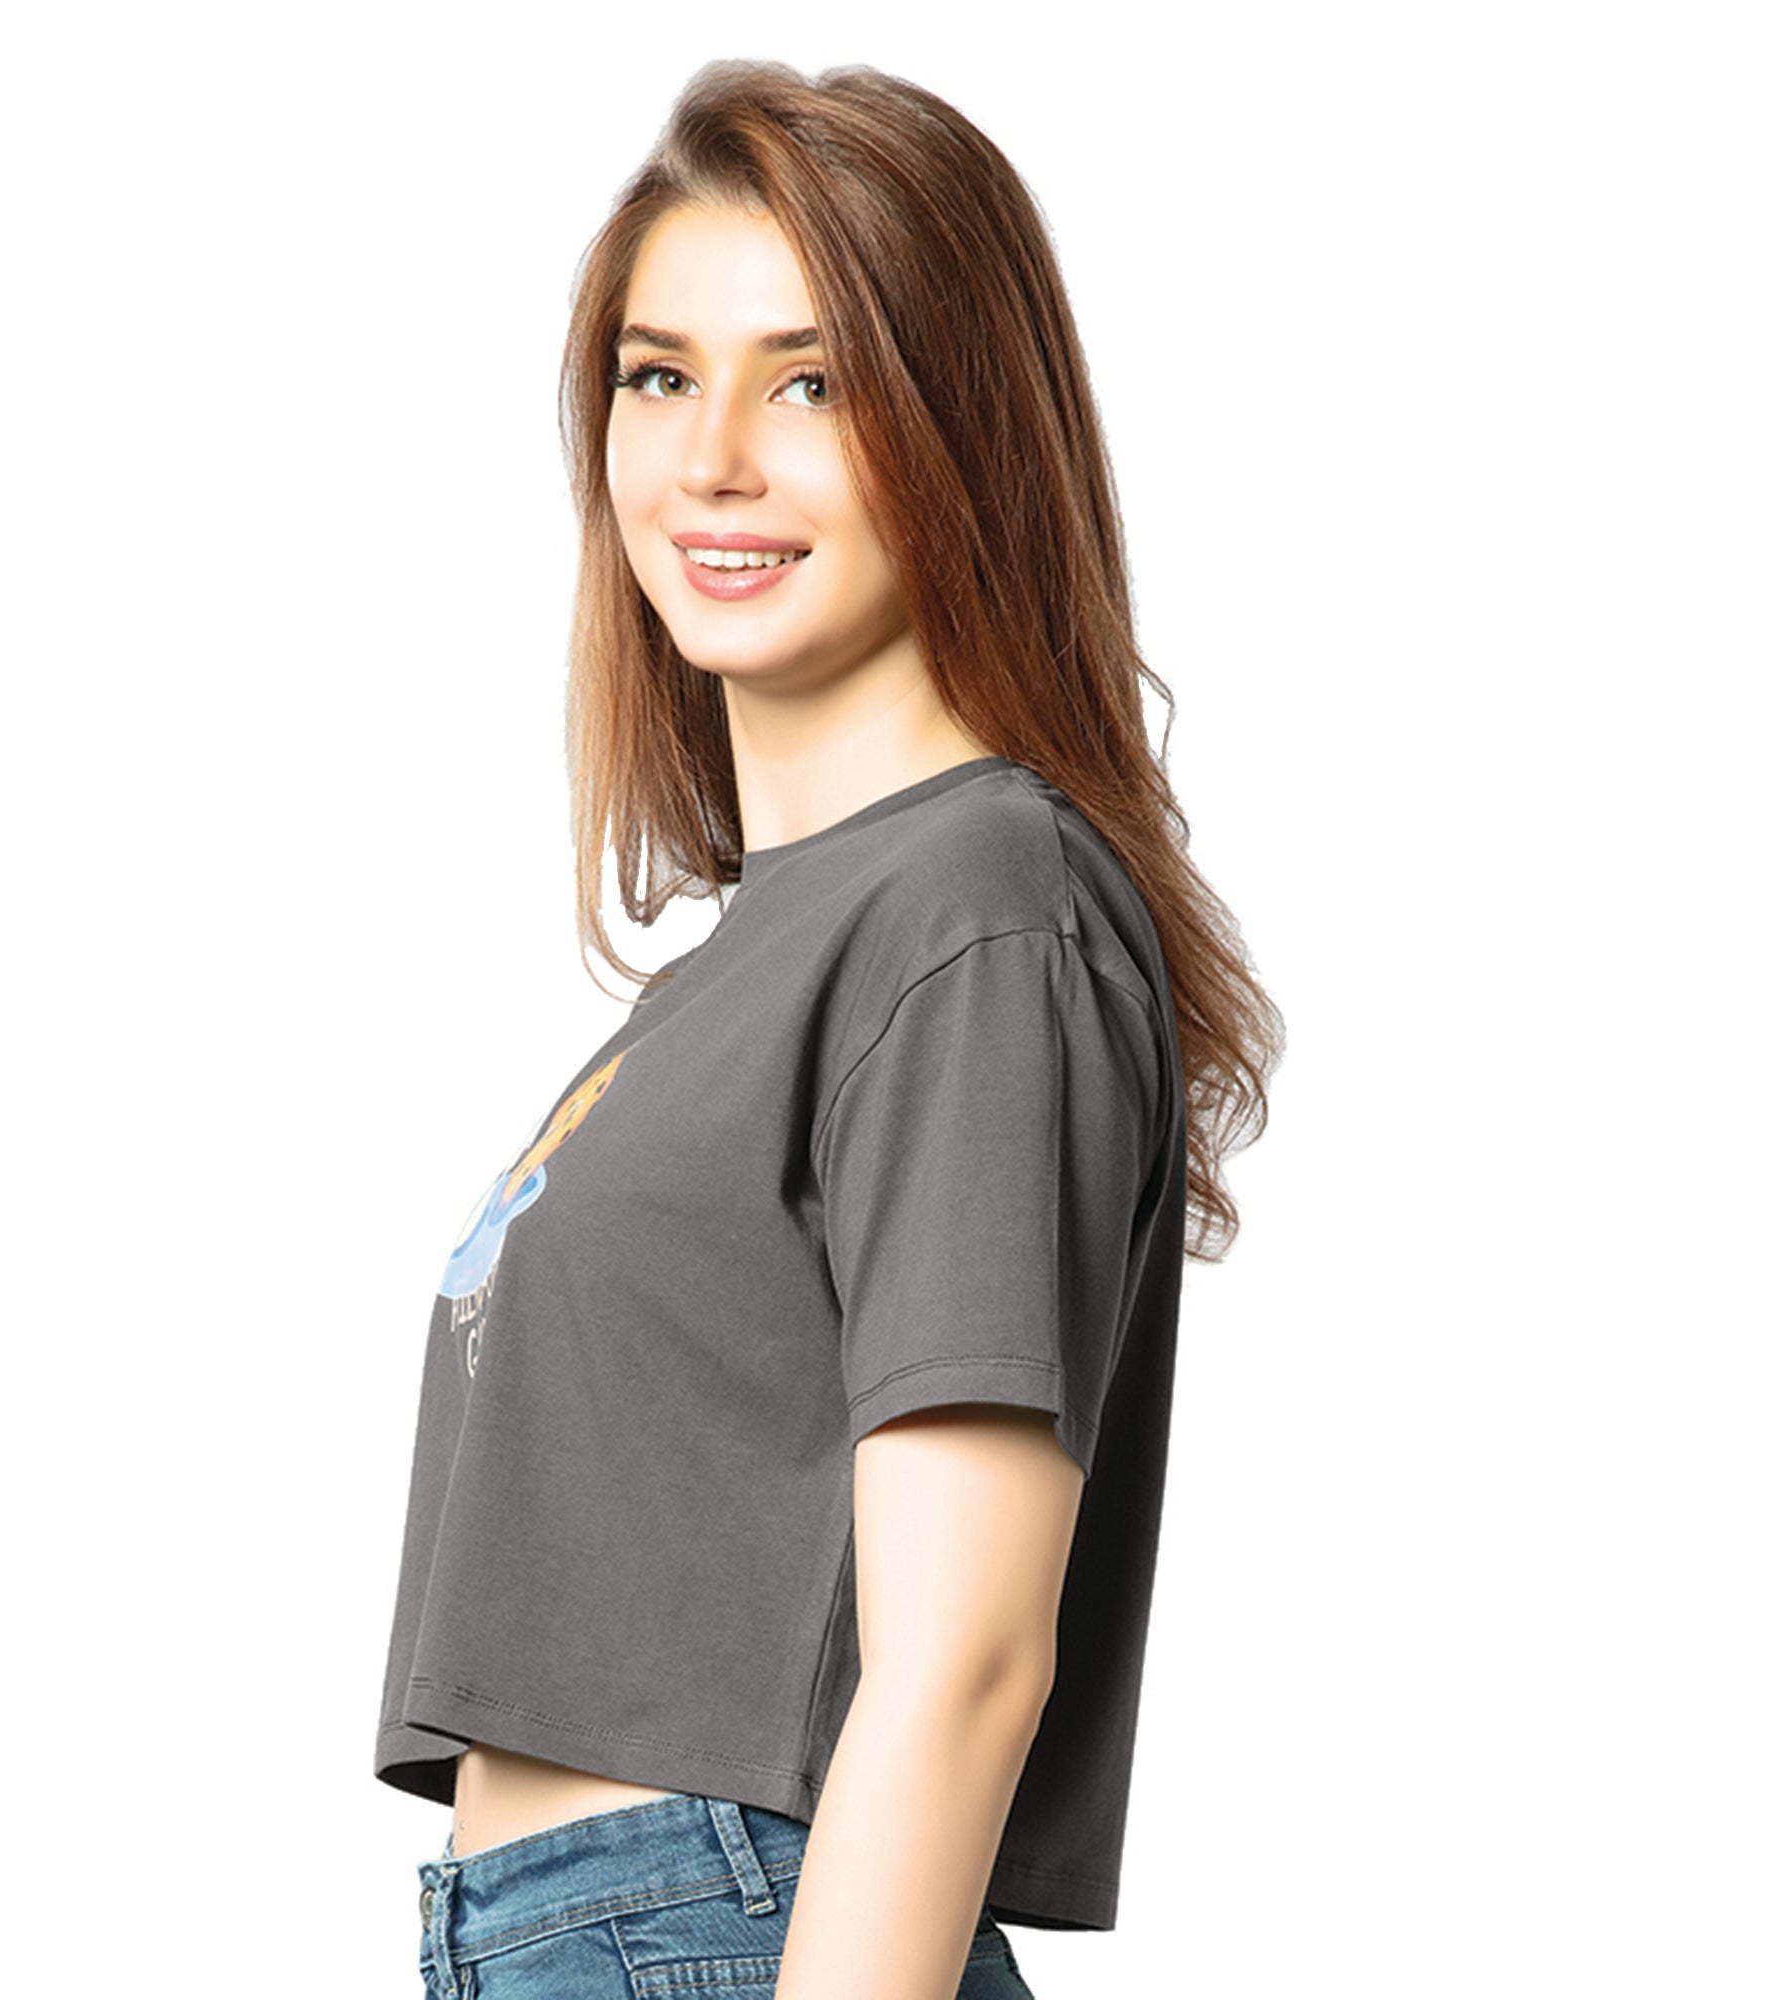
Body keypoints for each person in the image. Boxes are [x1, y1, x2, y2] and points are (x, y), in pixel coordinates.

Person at [377, 59, 1282, 2000]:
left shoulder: (978, 903)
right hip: (589, 1934)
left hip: (723, 1928)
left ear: (960, 428)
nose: (712, 459)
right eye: (658, 374)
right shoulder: (763, 958)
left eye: (809, 383)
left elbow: (961, 1661)